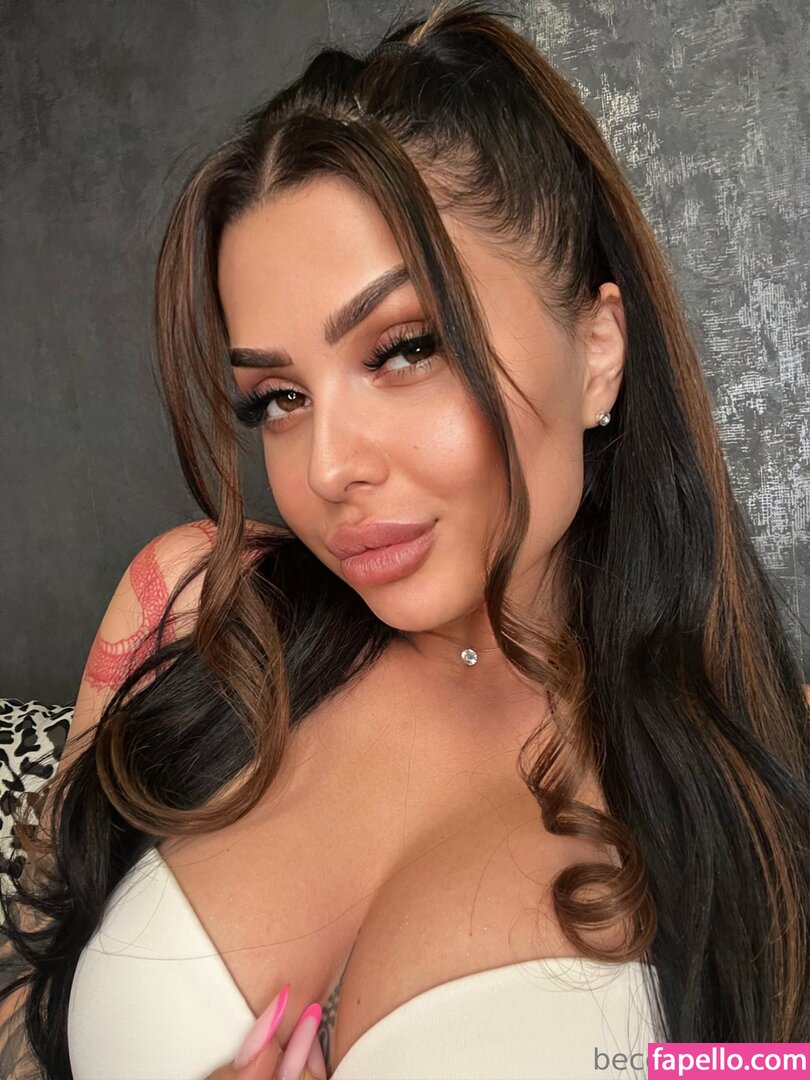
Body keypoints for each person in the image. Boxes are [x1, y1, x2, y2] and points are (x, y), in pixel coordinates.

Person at [2, 1, 808, 1077]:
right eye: (279, 397)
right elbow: (23, 1010)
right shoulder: (195, 611)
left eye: (405, 348)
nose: (326, 468)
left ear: (598, 350)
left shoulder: (767, 780)